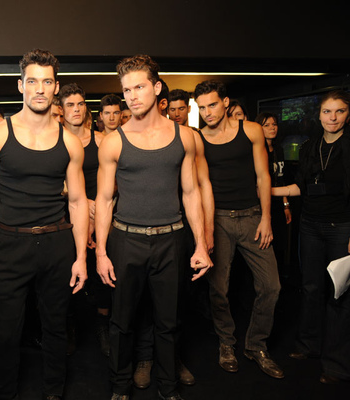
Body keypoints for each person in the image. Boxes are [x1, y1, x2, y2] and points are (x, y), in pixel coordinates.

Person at [0, 49, 88, 400]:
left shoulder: (70, 141)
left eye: (47, 82)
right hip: (11, 244)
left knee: (55, 328)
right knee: (7, 332)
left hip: (56, 244)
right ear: (21, 85)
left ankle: (54, 392)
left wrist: (82, 257)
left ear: (56, 87)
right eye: (33, 81)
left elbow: (77, 202)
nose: (40, 89)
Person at [96, 54, 212, 400]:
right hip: (126, 240)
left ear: (157, 87)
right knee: (121, 321)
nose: (132, 96)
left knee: (169, 321)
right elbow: (104, 199)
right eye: (126, 90)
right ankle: (120, 388)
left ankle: (168, 387)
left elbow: (191, 193)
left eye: (139, 87)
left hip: (171, 239)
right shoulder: (114, 141)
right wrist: (101, 252)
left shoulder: (185, 137)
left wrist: (201, 244)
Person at [194, 80, 283, 379]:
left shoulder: (252, 130)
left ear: (226, 102)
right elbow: (201, 186)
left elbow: (263, 176)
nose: (207, 112)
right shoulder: (198, 139)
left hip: (252, 216)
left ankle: (256, 345)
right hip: (217, 218)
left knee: (271, 286)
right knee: (218, 288)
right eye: (202, 107)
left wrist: (266, 218)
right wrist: (207, 230)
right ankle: (226, 342)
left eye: (212, 104)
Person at [272, 90, 350, 384]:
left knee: (339, 293)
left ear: (348, 115)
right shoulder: (310, 147)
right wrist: (266, 190)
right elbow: (299, 187)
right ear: (319, 115)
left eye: (340, 111)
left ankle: (337, 364)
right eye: (327, 112)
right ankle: (308, 345)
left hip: (342, 227)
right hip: (310, 226)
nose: (333, 118)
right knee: (310, 287)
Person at [57, 82, 110, 356]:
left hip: (100, 213)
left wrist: (96, 205)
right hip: (66, 214)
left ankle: (102, 326)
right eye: (70, 105)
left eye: (80, 104)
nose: (76, 109)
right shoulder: (55, 139)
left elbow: (114, 179)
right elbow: (52, 179)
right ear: (61, 109)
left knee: (102, 274)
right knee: (68, 272)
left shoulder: (101, 140)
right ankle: (70, 326)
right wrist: (79, 199)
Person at [257, 112, 292, 276]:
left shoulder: (279, 149)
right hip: (262, 204)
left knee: (279, 245)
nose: (272, 128)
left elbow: (281, 179)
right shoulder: (257, 151)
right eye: (267, 125)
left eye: (274, 124)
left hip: (278, 204)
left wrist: (286, 205)